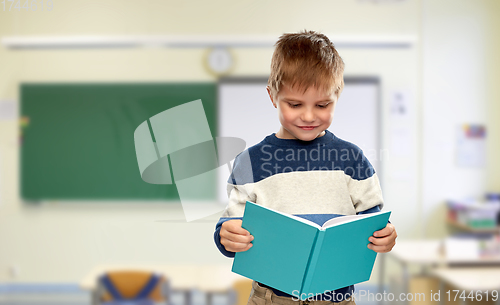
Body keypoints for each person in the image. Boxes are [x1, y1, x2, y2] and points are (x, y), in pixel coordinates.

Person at [213, 30, 397, 305]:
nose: (309, 116)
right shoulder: (250, 162)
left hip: (336, 298)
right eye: (295, 104)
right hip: (271, 298)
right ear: (273, 96)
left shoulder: (352, 158)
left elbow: (372, 220)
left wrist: (385, 235)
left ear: (337, 96)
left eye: (323, 105)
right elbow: (232, 223)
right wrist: (226, 234)